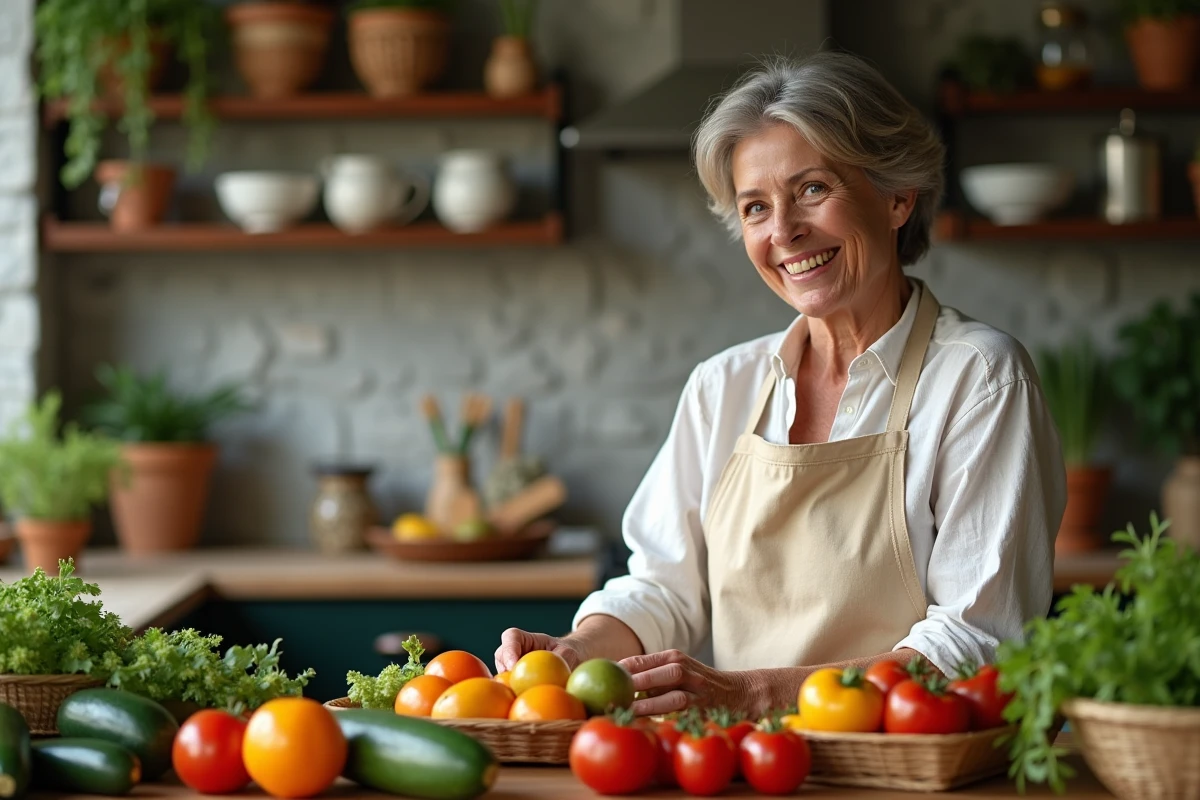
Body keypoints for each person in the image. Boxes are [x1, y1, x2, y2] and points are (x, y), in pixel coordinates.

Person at [495, 51, 1066, 718]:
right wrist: (577, 648)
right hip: (741, 768)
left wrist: (754, 691)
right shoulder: (723, 386)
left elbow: (976, 639)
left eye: (814, 189)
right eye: (756, 207)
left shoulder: (980, 378)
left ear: (897, 196)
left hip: (906, 770)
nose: (784, 231)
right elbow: (664, 588)